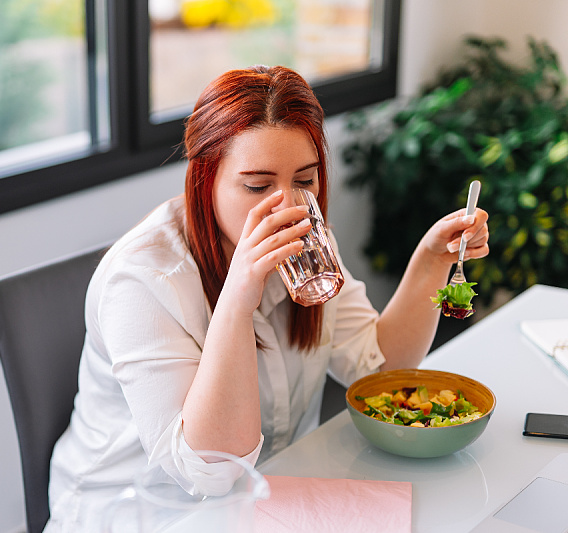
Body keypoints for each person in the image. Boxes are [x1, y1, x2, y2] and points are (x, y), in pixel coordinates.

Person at [45, 65, 489, 531]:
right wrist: (238, 298)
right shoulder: (143, 280)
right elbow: (211, 470)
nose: (289, 207)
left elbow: (378, 371)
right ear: (205, 182)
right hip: (141, 514)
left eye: (306, 180)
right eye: (257, 187)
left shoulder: (310, 243)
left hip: (263, 501)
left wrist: (432, 259)